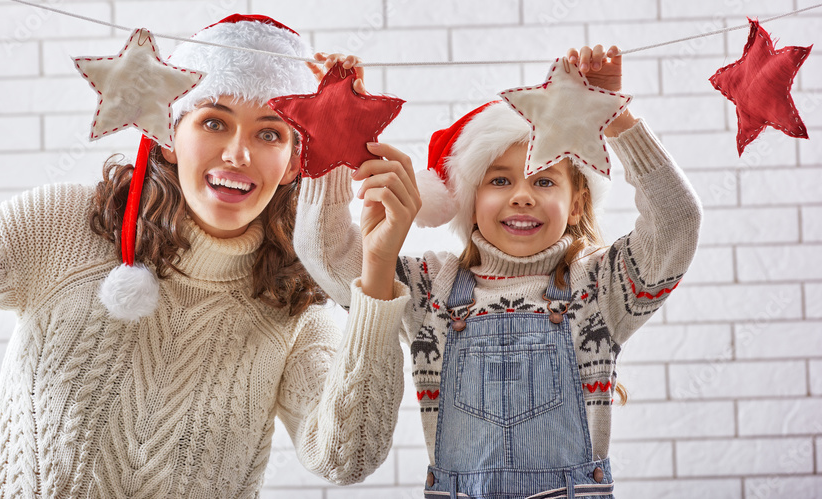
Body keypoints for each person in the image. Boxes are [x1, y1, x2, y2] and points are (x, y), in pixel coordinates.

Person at [0, 14, 415, 498]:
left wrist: (377, 273)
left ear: (294, 162)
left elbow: (345, 457)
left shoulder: (293, 303)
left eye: (270, 133)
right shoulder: (60, 226)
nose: (238, 153)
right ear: (168, 132)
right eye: (214, 121)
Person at [295, 46, 703, 498]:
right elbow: (325, 253)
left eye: (544, 179)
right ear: (470, 203)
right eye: (500, 180)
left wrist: (611, 116)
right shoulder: (431, 288)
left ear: (577, 204)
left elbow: (677, 220)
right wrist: (333, 127)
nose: (522, 195)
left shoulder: (601, 286)